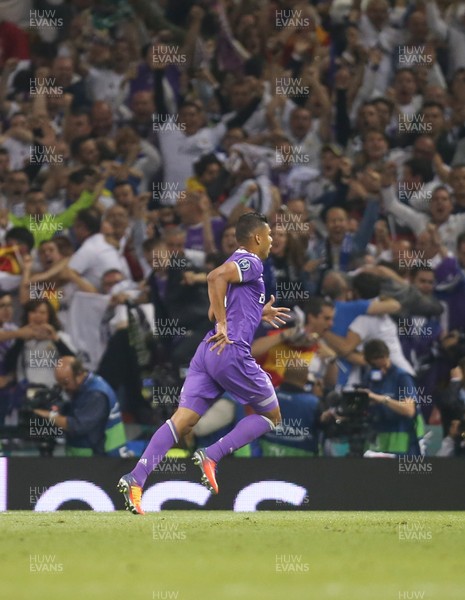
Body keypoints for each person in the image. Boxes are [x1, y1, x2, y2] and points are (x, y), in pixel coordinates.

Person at [117, 212, 290, 514]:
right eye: (270, 235)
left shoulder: (236, 263)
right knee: (271, 416)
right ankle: (212, 454)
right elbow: (214, 278)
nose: (272, 241)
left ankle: (136, 478)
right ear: (258, 237)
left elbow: (215, 307)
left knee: (182, 420)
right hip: (231, 351)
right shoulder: (251, 261)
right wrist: (226, 326)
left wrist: (255, 314)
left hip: (206, 352)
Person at [32, 356, 127, 457]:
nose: (63, 388)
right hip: (84, 458)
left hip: (101, 459)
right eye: (60, 384)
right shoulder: (84, 387)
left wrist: (49, 415)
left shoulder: (96, 394)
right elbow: (75, 408)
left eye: (65, 383)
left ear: (78, 375)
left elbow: (77, 426)